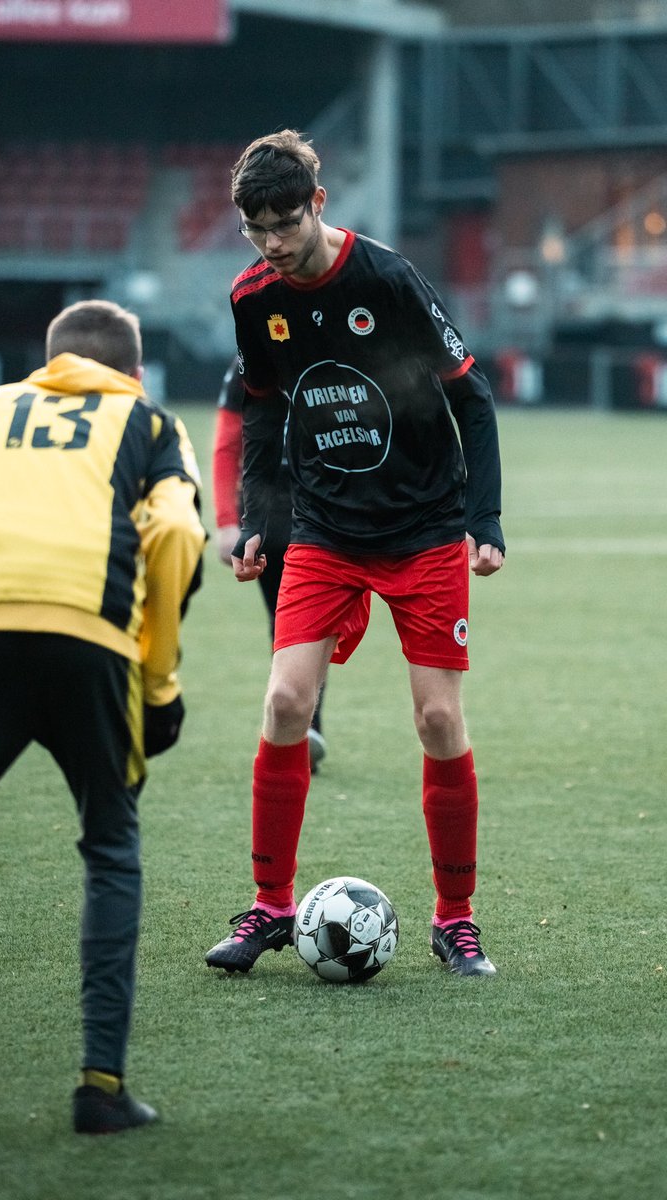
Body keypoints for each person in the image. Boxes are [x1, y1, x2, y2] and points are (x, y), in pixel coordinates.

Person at [0, 299, 206, 1133]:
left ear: (47, 363)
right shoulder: (152, 424)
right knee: (110, 849)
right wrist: (159, 683)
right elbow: (177, 534)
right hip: (93, 645)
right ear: (132, 371)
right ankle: (100, 1085)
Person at [205, 130, 505, 979]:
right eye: (256, 227)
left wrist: (485, 520)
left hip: (424, 528)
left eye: (285, 222)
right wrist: (261, 517)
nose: (273, 242)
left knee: (439, 720)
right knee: (285, 704)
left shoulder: (387, 278)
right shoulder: (252, 296)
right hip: (326, 530)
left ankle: (457, 920)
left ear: (318, 205)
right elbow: (263, 411)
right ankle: (269, 908)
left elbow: (470, 397)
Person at [212, 355, 327, 771]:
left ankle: (305, 722)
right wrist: (227, 522)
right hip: (268, 510)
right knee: (287, 617)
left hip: (325, 501)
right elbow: (228, 441)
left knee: (309, 615)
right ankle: (305, 723)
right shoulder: (247, 362)